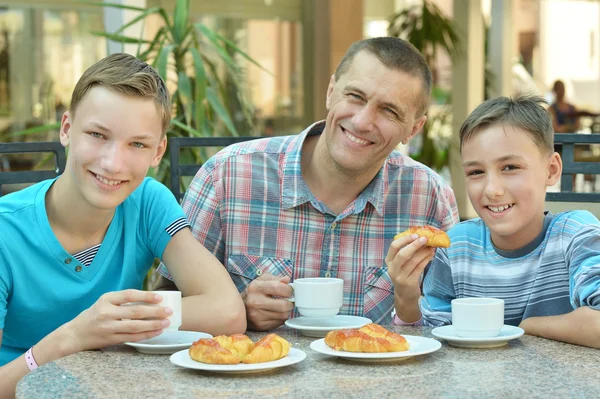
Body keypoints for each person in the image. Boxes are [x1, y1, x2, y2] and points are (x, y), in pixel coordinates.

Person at [154, 37, 459, 331]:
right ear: (330, 91)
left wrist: (410, 303)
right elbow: (167, 302)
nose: (363, 121)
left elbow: (449, 323)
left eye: (389, 111)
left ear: (414, 128)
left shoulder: (430, 198)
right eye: (355, 96)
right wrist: (237, 309)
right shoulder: (226, 176)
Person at [0, 53, 246, 395]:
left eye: (137, 144)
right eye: (98, 135)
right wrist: (76, 334)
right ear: (67, 128)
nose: (113, 163)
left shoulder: (148, 202)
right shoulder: (5, 231)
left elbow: (226, 310)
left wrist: (118, 321)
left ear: (158, 152)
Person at [392, 94, 600, 348]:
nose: (492, 189)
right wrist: (405, 298)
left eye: (510, 167)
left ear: (552, 170)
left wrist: (529, 327)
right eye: (476, 172)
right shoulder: (457, 247)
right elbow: (432, 338)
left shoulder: (576, 235)